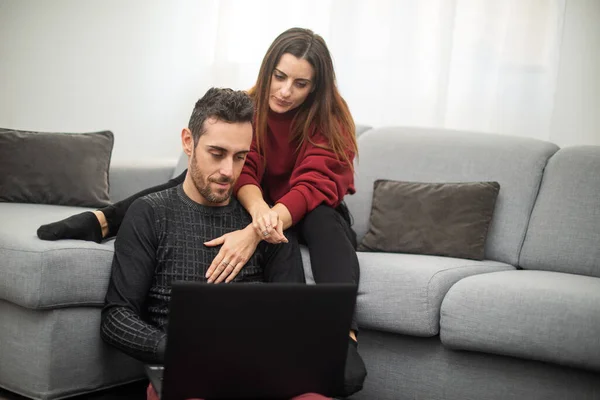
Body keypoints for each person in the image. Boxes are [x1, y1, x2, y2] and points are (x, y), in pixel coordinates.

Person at [40, 27, 366, 395]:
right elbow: (244, 168)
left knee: (325, 222)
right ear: (267, 70)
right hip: (256, 198)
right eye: (279, 76)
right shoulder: (249, 109)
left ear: (315, 88)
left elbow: (311, 187)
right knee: (192, 177)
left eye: (300, 83)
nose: (286, 90)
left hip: (308, 204)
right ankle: (103, 218)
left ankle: (345, 337)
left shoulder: (330, 119)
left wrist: (257, 228)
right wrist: (257, 208)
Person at [101, 88, 329, 400]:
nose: (228, 172)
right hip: (189, 373)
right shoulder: (150, 213)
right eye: (217, 153)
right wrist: (179, 350)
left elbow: (295, 318)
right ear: (188, 142)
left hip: (261, 372)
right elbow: (116, 319)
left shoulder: (266, 222)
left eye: (240, 157)